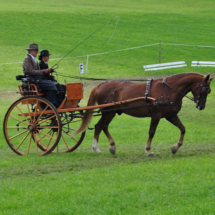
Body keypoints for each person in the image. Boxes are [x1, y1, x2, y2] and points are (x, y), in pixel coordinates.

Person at [23, 43, 64, 108]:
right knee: (52, 85)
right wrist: (44, 71)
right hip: (33, 80)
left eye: (37, 50)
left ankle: (55, 103)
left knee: (55, 84)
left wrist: (47, 71)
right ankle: (52, 104)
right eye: (36, 50)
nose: (37, 52)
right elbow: (29, 71)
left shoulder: (33, 59)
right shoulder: (27, 59)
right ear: (31, 50)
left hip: (37, 79)